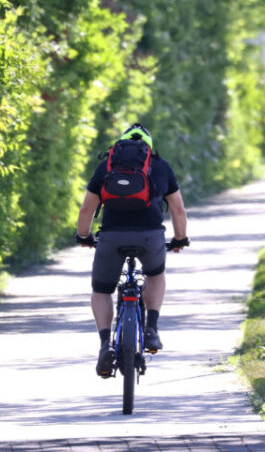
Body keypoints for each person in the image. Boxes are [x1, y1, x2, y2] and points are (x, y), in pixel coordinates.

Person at [75, 123, 189, 378]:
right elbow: (178, 210)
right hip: (150, 237)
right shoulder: (160, 166)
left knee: (102, 289)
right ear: (149, 148)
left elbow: (86, 210)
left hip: (111, 238)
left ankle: (106, 344)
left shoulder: (106, 166)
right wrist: (180, 239)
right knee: (155, 274)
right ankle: (152, 328)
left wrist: (83, 235)